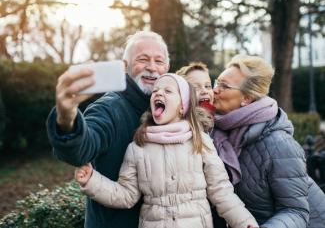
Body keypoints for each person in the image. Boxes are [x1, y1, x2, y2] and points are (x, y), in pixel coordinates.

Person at [75, 73, 259, 228]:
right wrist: (92, 180)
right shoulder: (138, 146)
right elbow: (127, 195)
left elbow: (221, 191)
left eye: (168, 91)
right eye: (155, 91)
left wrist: (245, 223)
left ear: (182, 106)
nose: (158, 93)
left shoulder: (200, 140)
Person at [46, 31, 170, 228]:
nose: (152, 67)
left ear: (167, 68)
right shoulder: (109, 108)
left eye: (159, 61)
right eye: (143, 59)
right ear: (125, 66)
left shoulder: (171, 110)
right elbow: (82, 150)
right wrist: (66, 117)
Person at [211, 54, 325, 228]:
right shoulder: (219, 130)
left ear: (247, 98)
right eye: (217, 82)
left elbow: (296, 211)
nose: (215, 90)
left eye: (224, 86)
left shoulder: (279, 144)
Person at [176, 61, 226, 228]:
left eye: (207, 85)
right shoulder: (179, 131)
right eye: (196, 87)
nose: (204, 90)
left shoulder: (221, 124)